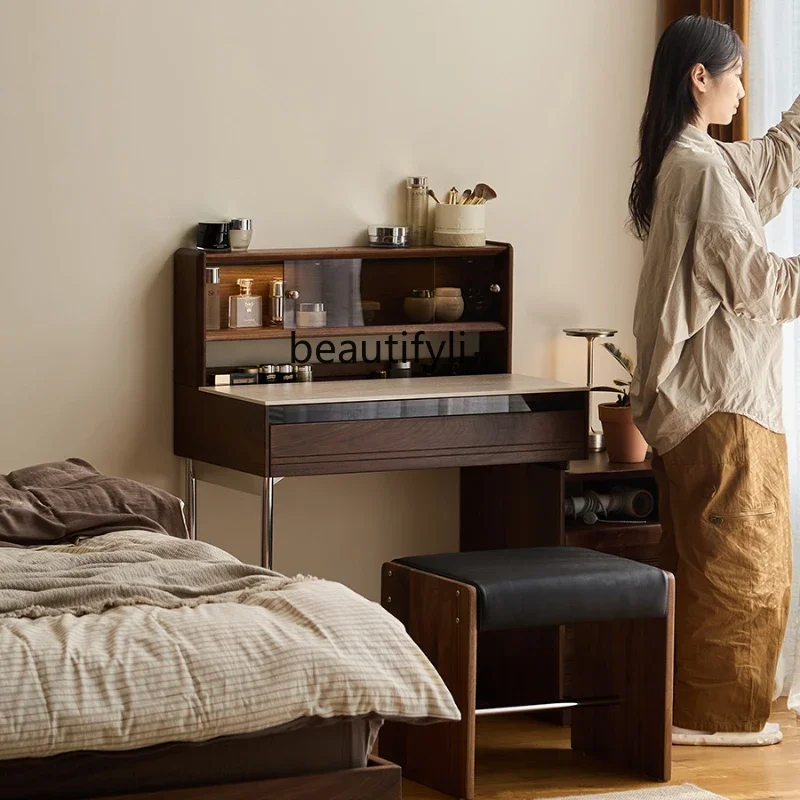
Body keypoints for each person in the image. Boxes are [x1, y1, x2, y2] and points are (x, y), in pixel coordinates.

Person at [629, 14, 800, 747]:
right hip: (725, 406)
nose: (741, 90)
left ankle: (690, 711)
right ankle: (712, 719)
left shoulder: (692, 158)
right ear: (699, 78)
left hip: (702, 406)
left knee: (706, 564)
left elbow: (771, 159)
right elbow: (756, 281)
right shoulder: (699, 169)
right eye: (733, 75)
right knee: (745, 568)